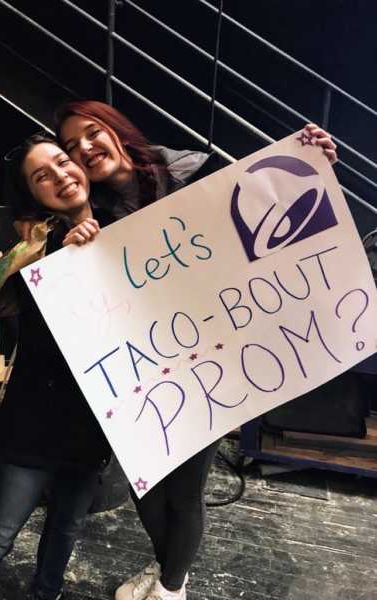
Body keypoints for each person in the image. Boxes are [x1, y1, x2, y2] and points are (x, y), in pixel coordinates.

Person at [52, 100, 338, 600]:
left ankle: (170, 590)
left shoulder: (192, 170)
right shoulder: (92, 213)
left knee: (185, 491)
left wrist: (312, 165)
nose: (85, 148)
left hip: (209, 360)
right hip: (145, 368)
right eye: (73, 146)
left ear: (116, 130)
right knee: (145, 487)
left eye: (92, 133)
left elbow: (265, 207)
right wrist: (76, 242)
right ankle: (170, 570)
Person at [0, 133, 111, 600]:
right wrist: (66, 253)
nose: (60, 175)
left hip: (95, 423)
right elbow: (40, 336)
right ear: (34, 195)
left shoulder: (128, 228)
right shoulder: (37, 249)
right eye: (43, 176)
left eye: (63, 162)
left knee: (65, 531)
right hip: (35, 422)